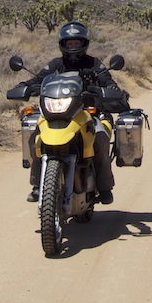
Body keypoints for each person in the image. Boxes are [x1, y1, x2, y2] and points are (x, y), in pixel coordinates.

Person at [21, 21, 124, 205]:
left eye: (77, 43)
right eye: (70, 43)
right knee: (35, 135)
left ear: (84, 43)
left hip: (88, 114)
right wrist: (24, 87)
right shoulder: (55, 64)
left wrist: (109, 90)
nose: (73, 47)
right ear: (63, 44)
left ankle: (104, 186)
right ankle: (37, 185)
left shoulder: (94, 64)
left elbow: (107, 80)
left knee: (100, 137)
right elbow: (37, 79)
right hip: (59, 112)